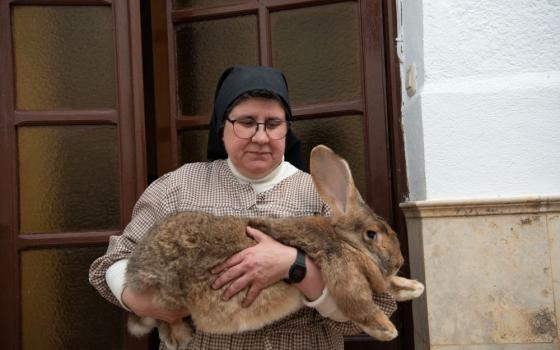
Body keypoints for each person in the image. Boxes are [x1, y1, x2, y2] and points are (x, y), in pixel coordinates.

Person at [89, 65, 396, 350]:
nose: (261, 137)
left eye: (273, 124)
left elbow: (373, 304)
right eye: (246, 122)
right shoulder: (178, 187)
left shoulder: (318, 195)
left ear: (286, 129)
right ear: (222, 126)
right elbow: (112, 263)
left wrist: (295, 265)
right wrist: (140, 301)